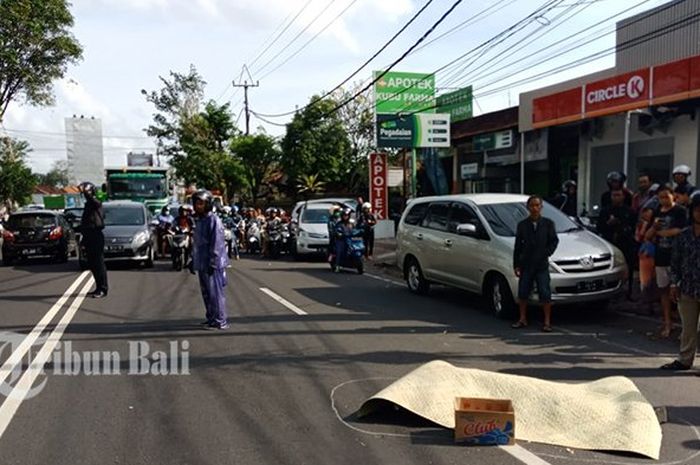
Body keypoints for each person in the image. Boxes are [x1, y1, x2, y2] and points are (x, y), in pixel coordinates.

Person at [660, 195, 700, 371]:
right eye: (698, 210)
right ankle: (685, 360)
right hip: (688, 288)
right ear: (692, 212)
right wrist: (674, 284)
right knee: (688, 328)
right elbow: (675, 262)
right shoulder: (684, 236)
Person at [512, 195, 559, 332]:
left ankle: (547, 322)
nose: (535, 208)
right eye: (532, 206)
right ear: (528, 207)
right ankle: (522, 318)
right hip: (526, 263)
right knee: (523, 292)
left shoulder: (548, 223)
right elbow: (517, 246)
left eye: (537, 205)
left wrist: (546, 253)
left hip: (541, 264)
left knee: (545, 292)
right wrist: (516, 264)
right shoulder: (522, 225)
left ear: (541, 207)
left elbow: (554, 241)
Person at [645, 185, 687, 338]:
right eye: (660, 197)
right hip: (661, 258)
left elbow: (680, 231)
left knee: (681, 293)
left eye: (666, 196)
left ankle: (685, 327)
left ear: (673, 195)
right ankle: (667, 323)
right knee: (663, 291)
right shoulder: (656, 212)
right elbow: (648, 235)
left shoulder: (680, 211)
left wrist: (662, 232)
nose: (663, 199)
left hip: (678, 258)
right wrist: (654, 227)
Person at [191, 190, 230, 330]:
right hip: (202, 261)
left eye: (201, 203)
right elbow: (197, 243)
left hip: (213, 263)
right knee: (206, 293)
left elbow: (217, 243)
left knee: (215, 293)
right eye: (196, 203)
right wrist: (193, 260)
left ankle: (220, 320)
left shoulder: (213, 220)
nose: (197, 206)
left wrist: (213, 262)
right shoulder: (200, 220)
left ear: (208, 204)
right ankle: (211, 318)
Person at [597, 188, 637, 297]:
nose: (616, 197)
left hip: (626, 242)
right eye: (614, 195)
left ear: (623, 197)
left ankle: (629, 291)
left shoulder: (630, 211)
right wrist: (609, 223)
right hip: (610, 243)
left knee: (629, 266)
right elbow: (599, 228)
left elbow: (634, 227)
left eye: (618, 195)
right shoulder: (605, 211)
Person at [79, 181, 108, 299]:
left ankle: (103, 289)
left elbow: (94, 201)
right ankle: (98, 287)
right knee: (92, 264)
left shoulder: (96, 202)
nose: (84, 194)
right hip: (88, 236)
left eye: (86, 191)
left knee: (99, 263)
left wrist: (87, 192)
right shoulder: (88, 205)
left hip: (96, 235)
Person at [333, 208, 355, 273]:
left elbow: (355, 229)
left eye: (347, 215)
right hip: (341, 240)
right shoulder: (339, 224)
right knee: (339, 251)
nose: (346, 217)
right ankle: (337, 266)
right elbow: (337, 231)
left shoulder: (351, 223)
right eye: (344, 215)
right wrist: (339, 234)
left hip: (350, 239)